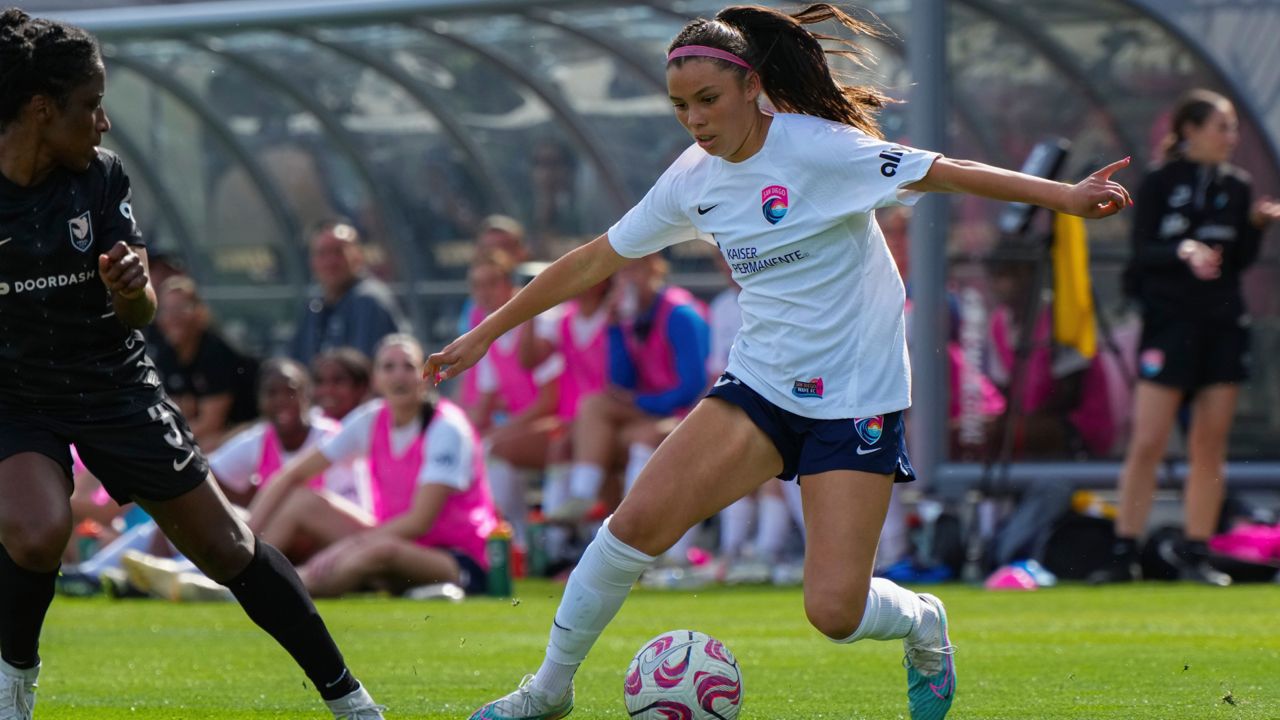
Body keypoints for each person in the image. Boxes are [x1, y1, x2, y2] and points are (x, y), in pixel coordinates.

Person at [425, 6, 1130, 719]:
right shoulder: (691, 180)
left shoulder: (821, 148)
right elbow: (594, 259)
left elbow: (948, 172)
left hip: (856, 396)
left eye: (708, 100)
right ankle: (549, 690)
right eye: (680, 106)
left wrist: (1063, 199)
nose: (695, 120)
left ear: (751, 88)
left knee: (834, 611)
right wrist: (487, 330)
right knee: (632, 528)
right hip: (761, 386)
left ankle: (923, 622)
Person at [0, 11, 385, 719]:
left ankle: (350, 699)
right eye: (90, 105)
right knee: (33, 529)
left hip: (112, 383)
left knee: (226, 544)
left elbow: (141, 313)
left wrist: (129, 287)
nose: (104, 122)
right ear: (40, 109)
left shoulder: (99, 178)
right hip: (16, 394)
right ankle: (13, 683)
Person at [1092, 89, 1280, 586]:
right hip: (1170, 325)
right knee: (1149, 440)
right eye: (1221, 126)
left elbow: (1236, 262)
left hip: (1222, 326)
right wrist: (1184, 249)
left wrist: (1257, 227)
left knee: (1209, 443)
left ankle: (1198, 551)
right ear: (1190, 130)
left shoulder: (1238, 186)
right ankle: (1124, 549)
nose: (1230, 137)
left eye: (1234, 127)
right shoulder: (1157, 183)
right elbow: (1142, 253)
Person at [251, 335, 500, 598]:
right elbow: (292, 475)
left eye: (408, 366)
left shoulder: (447, 427)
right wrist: (243, 539)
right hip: (391, 539)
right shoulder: (371, 418)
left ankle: (270, 591)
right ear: (376, 379)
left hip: (459, 560)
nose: (398, 376)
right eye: (388, 367)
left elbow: (419, 522)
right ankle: (243, 574)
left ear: (426, 375)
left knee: (378, 551)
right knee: (303, 501)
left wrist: (348, 545)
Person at [152, 276, 260, 449]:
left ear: (199, 312)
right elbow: (171, 412)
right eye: (166, 310)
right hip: (213, 431)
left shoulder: (216, 352)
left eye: (181, 308)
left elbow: (211, 423)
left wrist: (163, 440)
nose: (173, 317)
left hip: (251, 427)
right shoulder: (166, 354)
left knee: (195, 451)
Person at [290, 219, 410, 364]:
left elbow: (361, 372)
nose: (330, 262)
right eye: (322, 253)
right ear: (312, 261)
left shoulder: (368, 302)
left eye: (338, 252)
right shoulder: (315, 305)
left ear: (358, 256)